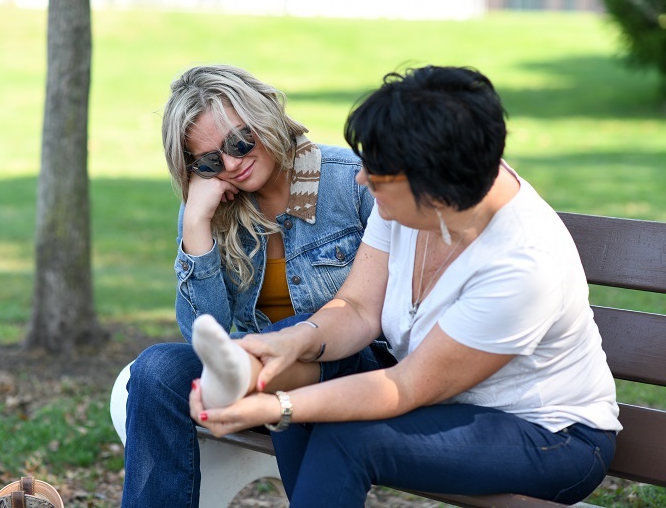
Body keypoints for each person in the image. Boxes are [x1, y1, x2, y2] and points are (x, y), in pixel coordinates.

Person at [188, 65, 622, 506]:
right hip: (440, 397)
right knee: (303, 347)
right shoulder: (417, 202)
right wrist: (292, 340)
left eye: (376, 174)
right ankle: (249, 373)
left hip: (548, 437)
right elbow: (356, 308)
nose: (360, 179)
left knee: (346, 438)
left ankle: (257, 386)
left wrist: (277, 407)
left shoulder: (523, 263)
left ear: (432, 179)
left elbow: (404, 388)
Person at [119, 64, 382, 507]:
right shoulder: (212, 208)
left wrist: (286, 344)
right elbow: (206, 337)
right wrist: (197, 224)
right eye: (209, 161)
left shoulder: (350, 182)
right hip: (252, 371)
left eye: (240, 142)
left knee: (292, 333)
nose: (233, 165)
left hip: (353, 365)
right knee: (156, 370)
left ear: (264, 117)